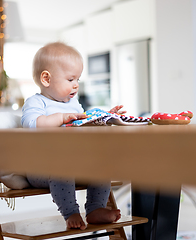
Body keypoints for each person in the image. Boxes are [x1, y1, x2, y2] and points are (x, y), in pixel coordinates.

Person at [21, 42, 125, 230]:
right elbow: (31, 125)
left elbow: (83, 127)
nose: (76, 85)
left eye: (77, 79)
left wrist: (102, 118)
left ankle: (95, 209)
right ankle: (70, 213)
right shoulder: (36, 102)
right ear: (46, 79)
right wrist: (61, 118)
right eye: (70, 79)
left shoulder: (74, 105)